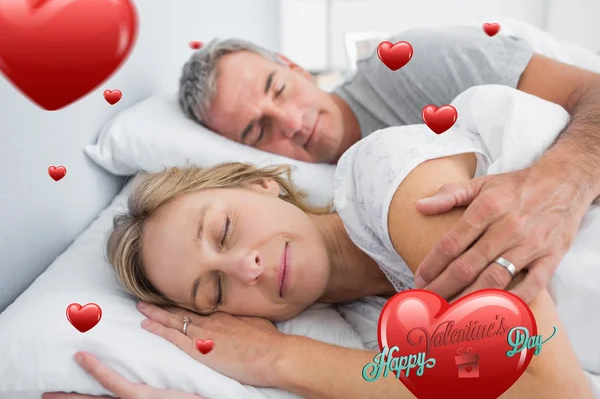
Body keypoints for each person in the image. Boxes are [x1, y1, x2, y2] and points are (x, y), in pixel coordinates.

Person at [45, 122, 596, 398]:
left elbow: (547, 389)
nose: (246, 268)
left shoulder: (387, 179)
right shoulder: (366, 326)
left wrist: (281, 360)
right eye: (214, 291)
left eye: (225, 230)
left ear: (262, 185)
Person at [176, 26, 600, 305]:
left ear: (294, 66)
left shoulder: (407, 65)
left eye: (279, 89)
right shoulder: (326, 205)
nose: (291, 122)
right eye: (258, 130)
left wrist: (559, 186)